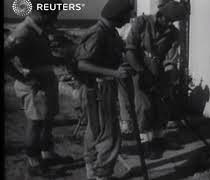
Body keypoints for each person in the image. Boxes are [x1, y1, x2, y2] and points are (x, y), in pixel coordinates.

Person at [4, 0, 71, 176]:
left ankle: (47, 154)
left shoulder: (38, 30)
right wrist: (23, 79)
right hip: (34, 86)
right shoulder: (23, 32)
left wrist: (61, 60)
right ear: (42, 12)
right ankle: (34, 163)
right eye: (54, 14)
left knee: (47, 121)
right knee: (35, 123)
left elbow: (41, 57)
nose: (55, 19)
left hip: (46, 82)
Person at [73, 0, 135, 179]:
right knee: (109, 135)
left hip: (102, 88)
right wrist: (115, 73)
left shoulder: (110, 33)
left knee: (95, 130)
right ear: (117, 16)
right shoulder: (98, 33)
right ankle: (102, 174)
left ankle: (92, 171)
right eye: (126, 16)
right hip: (98, 89)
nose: (128, 19)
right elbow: (82, 64)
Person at [125, 0, 188, 159]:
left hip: (158, 72)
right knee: (144, 107)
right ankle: (146, 143)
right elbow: (130, 50)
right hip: (137, 70)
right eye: (166, 19)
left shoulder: (173, 33)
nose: (168, 24)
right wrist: (141, 71)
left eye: (172, 21)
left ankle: (159, 140)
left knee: (162, 107)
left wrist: (168, 74)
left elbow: (170, 58)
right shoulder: (142, 23)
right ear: (159, 15)